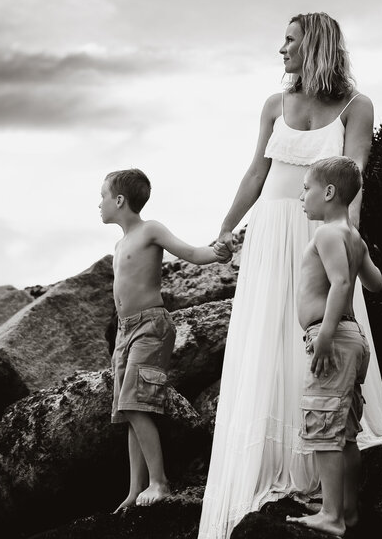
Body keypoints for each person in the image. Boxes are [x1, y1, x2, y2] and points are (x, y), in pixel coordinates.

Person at [198, 13, 382, 539]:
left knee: (323, 338)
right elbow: (257, 171)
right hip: (271, 232)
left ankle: (327, 473)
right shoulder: (274, 104)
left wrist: (348, 238)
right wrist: (228, 229)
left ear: (315, 46)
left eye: (290, 41)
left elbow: (354, 178)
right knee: (267, 338)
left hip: (319, 236)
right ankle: (279, 461)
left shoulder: (356, 106)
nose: (281, 50)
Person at [100, 168, 232, 512]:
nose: (98, 204)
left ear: (119, 200)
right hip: (124, 330)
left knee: (135, 403)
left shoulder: (150, 230)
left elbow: (190, 253)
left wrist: (218, 252)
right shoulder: (119, 243)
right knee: (130, 412)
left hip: (150, 327)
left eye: (102, 197)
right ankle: (134, 491)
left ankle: (159, 482)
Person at [285, 156, 382, 536]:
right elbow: (375, 283)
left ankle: (331, 515)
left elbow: (342, 285)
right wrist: (359, 257)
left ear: (328, 192)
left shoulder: (325, 234)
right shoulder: (352, 236)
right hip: (353, 340)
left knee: (324, 428)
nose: (301, 196)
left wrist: (323, 336)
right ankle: (349, 510)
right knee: (344, 433)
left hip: (334, 338)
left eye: (306, 188)